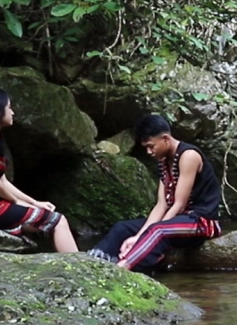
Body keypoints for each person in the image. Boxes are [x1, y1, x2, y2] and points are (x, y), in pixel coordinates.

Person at [88, 114, 222, 271]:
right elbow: (161, 205)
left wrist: (146, 235)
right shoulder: (164, 162)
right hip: (176, 220)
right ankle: (93, 265)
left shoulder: (189, 156)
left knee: (157, 231)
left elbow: (179, 204)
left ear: (165, 139)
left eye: (151, 146)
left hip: (201, 221)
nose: (149, 152)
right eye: (146, 147)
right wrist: (138, 236)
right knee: (122, 228)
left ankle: (121, 270)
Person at [0, 88, 78, 252]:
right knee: (58, 221)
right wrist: (15, 202)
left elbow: (2, 180)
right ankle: (80, 267)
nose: (13, 112)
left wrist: (33, 202)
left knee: (45, 220)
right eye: (9, 107)